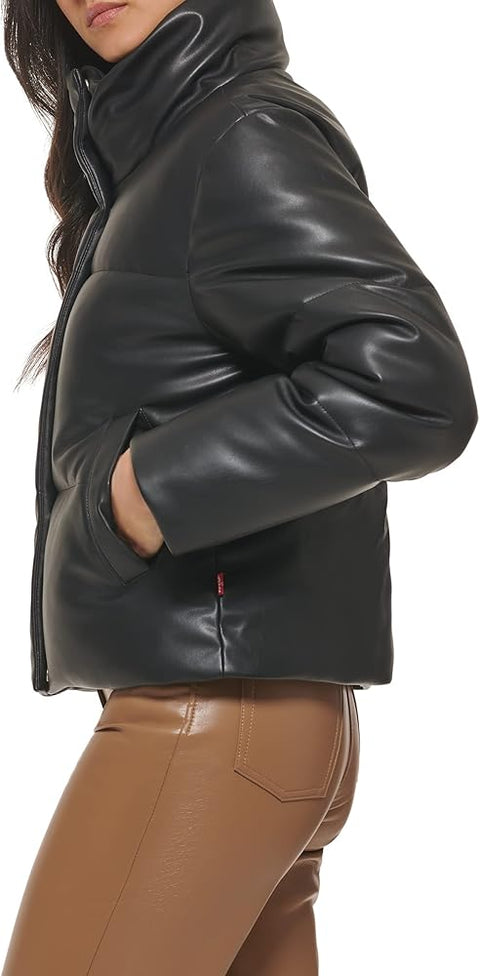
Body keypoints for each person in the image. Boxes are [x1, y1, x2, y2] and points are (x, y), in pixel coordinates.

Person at [2, 0, 477, 973]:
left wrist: (146, 491)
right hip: (251, 722)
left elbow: (414, 381)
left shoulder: (236, 135)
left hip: (209, 720)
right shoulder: (172, 153)